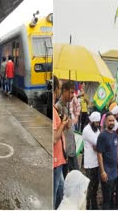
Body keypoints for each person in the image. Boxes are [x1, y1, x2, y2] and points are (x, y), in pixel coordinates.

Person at [55, 81, 79, 177]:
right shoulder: (58, 107)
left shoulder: (66, 106)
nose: (73, 95)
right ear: (64, 91)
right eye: (71, 92)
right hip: (65, 153)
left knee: (76, 177)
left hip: (71, 149)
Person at [53, 75, 67, 209]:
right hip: (55, 160)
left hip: (60, 160)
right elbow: (53, 138)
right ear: (56, 89)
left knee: (61, 191)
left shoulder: (55, 110)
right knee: (55, 192)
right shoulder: (53, 111)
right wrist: (63, 124)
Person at [82, 111, 100, 210]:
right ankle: (87, 207)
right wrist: (98, 146)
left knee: (95, 188)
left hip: (97, 163)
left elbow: (99, 143)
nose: (98, 124)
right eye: (96, 122)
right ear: (92, 121)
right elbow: (98, 142)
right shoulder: (87, 130)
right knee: (89, 189)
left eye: (98, 122)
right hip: (89, 164)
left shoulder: (96, 129)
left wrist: (98, 146)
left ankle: (94, 207)